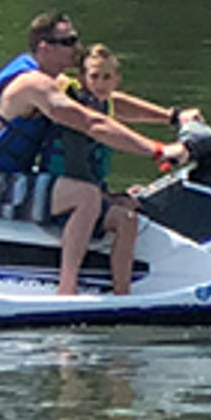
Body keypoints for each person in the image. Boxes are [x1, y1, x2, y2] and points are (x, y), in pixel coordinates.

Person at [0, 11, 179, 296]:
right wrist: (158, 150)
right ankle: (66, 291)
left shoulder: (55, 83)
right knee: (85, 195)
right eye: (68, 41)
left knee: (122, 208)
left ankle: (123, 294)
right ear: (44, 47)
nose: (77, 47)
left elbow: (104, 104)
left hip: (8, 180)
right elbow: (91, 123)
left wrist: (172, 117)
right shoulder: (33, 84)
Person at [44, 42, 187, 298]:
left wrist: (174, 116)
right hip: (63, 192)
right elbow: (77, 164)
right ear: (82, 79)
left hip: (88, 190)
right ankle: (118, 295)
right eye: (94, 76)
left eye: (107, 77)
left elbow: (121, 105)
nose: (100, 83)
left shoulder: (104, 104)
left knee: (139, 203)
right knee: (126, 222)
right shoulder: (72, 101)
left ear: (117, 79)